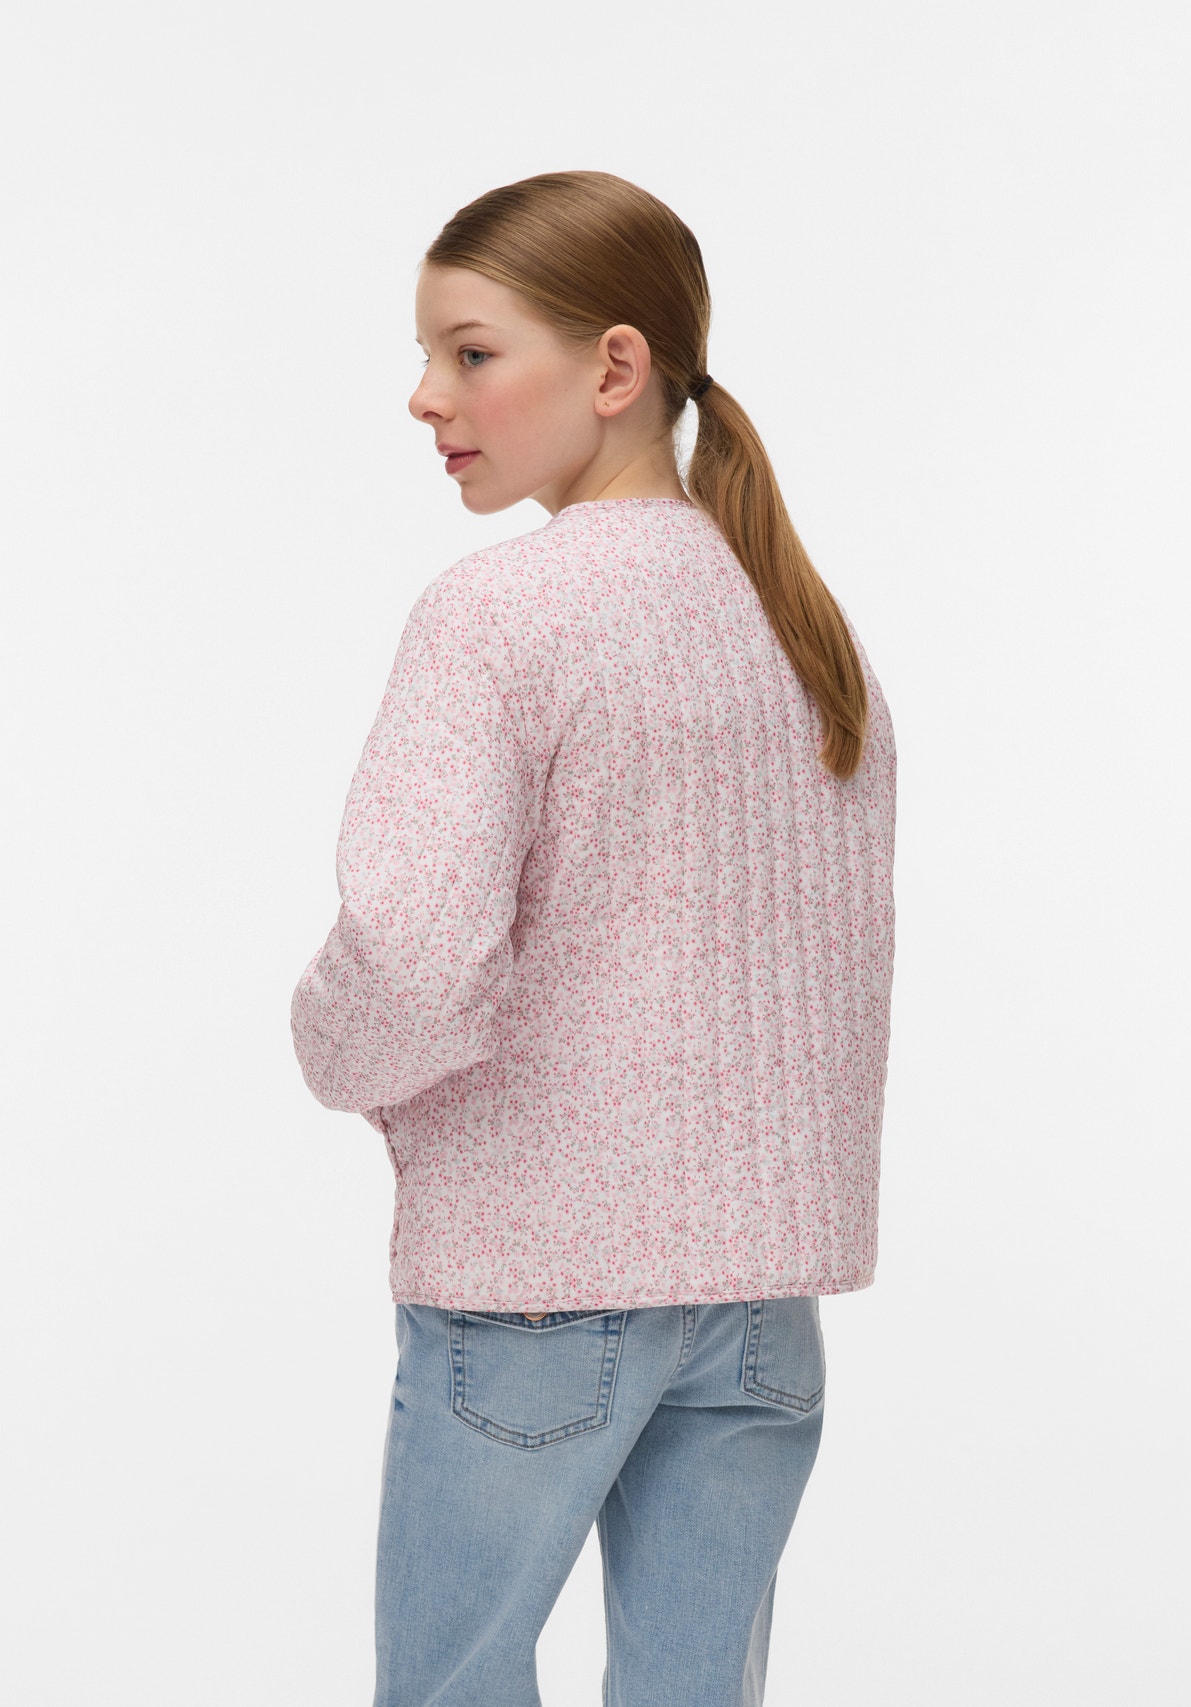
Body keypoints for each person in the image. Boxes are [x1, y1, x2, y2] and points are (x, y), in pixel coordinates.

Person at [290, 169, 897, 1707]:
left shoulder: (503, 616)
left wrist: (327, 1049)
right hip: (760, 1301)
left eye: (472, 353)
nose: (426, 397)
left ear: (616, 367)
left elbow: (411, 956)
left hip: (536, 1284)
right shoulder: (804, 630)